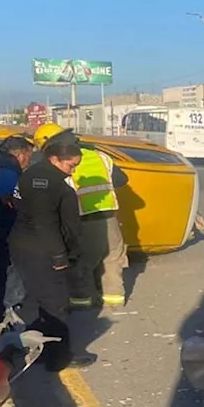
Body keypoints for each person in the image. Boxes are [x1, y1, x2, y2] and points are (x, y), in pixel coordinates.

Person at [11, 140, 96, 370]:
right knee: (55, 302)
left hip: (30, 246)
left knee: (33, 298)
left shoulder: (38, 175)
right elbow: (45, 222)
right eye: (71, 165)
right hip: (41, 250)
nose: (74, 170)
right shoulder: (45, 182)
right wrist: (59, 255)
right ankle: (57, 357)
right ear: (55, 159)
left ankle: (27, 346)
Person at [31, 124, 129, 308]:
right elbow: (121, 180)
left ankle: (81, 302)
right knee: (112, 258)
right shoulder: (100, 156)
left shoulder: (59, 160)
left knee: (80, 261)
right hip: (108, 216)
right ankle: (115, 299)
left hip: (79, 218)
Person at [0, 135, 34, 324]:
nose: (28, 161)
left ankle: (0, 313)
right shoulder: (8, 169)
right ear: (21, 154)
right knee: (9, 273)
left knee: (0, 274)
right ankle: (7, 315)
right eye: (28, 156)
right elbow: (7, 199)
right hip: (4, 230)